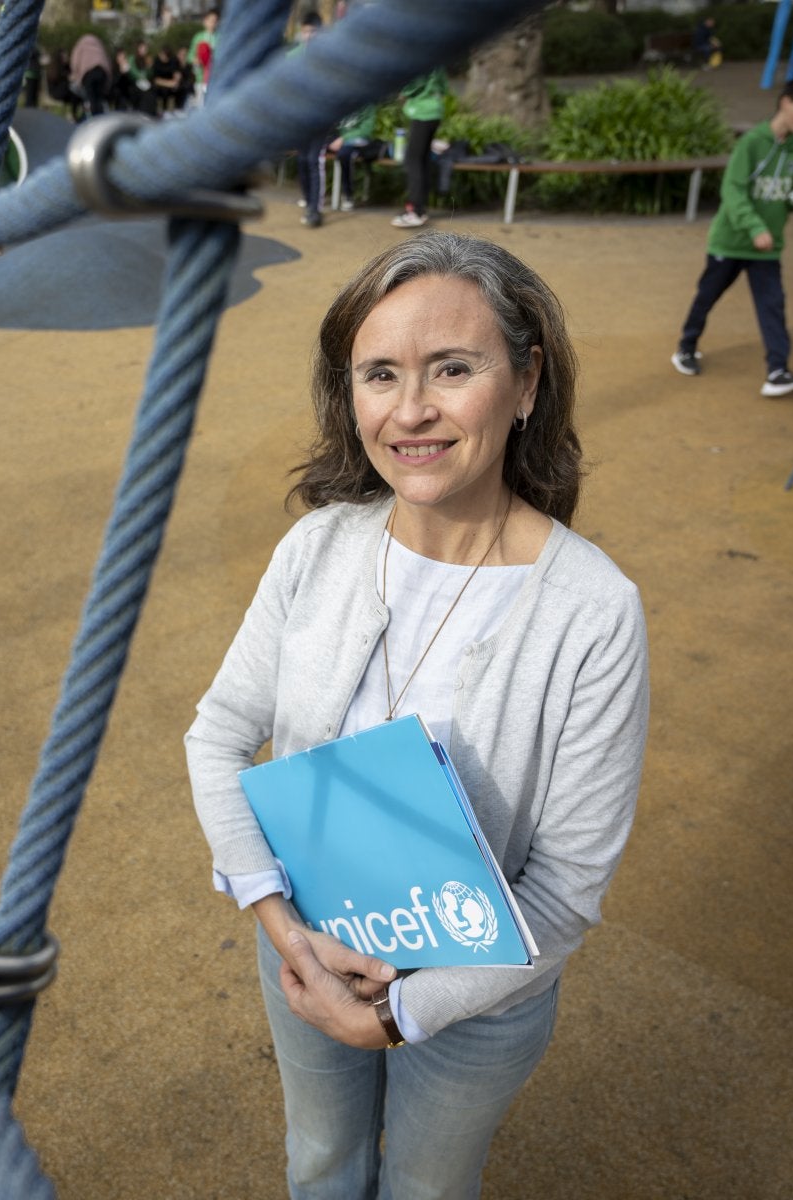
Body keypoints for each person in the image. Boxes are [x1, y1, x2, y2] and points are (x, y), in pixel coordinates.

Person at [187, 232, 650, 1200]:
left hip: (477, 1001)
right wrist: (284, 930)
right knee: (320, 1163)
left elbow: (565, 890)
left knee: (427, 1191)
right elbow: (221, 730)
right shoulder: (318, 547)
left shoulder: (594, 611)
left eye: (452, 369)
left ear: (526, 383)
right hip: (307, 953)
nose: (411, 411)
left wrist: (403, 1014)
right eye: (380, 374)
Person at [672, 75, 793, 397]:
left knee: (773, 306)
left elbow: (784, 201)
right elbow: (733, 190)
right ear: (785, 102)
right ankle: (686, 347)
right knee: (707, 296)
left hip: (767, 249)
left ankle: (778, 371)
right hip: (730, 242)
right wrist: (755, 228)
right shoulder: (752, 142)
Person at [392, 66, 447, 228]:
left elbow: (413, 83)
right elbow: (443, 87)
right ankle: (420, 209)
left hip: (422, 112)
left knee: (412, 160)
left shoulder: (421, 54)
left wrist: (403, 91)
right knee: (423, 159)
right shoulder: (438, 58)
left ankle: (415, 211)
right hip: (435, 110)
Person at [290, 12, 328, 227]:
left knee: (314, 160)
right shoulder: (294, 56)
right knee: (302, 160)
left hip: (321, 118)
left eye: (313, 31)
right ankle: (307, 200)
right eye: (305, 31)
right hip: (300, 118)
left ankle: (315, 209)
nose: (309, 35)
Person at [330, 103, 381, 210]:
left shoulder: (368, 104)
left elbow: (366, 131)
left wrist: (343, 138)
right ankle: (311, 196)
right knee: (312, 149)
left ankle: (348, 196)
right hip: (338, 139)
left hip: (358, 141)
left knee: (344, 154)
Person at [69, 33, 113, 121]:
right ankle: (100, 117)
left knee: (90, 97)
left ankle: (93, 119)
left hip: (88, 73)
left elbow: (75, 61)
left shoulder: (81, 45)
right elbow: (107, 62)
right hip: (102, 72)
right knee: (99, 98)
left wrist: (75, 74)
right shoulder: (99, 45)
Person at [189, 8, 219, 105]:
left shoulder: (220, 37)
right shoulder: (198, 37)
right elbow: (190, 55)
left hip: (214, 77)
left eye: (215, 21)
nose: (212, 24)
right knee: (200, 104)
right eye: (210, 21)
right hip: (200, 77)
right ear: (205, 21)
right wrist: (195, 60)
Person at [151, 43, 182, 114]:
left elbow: (177, 76)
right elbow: (156, 80)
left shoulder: (173, 61)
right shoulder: (157, 61)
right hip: (160, 86)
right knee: (160, 90)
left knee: (181, 88)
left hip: (170, 86)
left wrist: (175, 81)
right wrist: (169, 83)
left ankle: (178, 109)